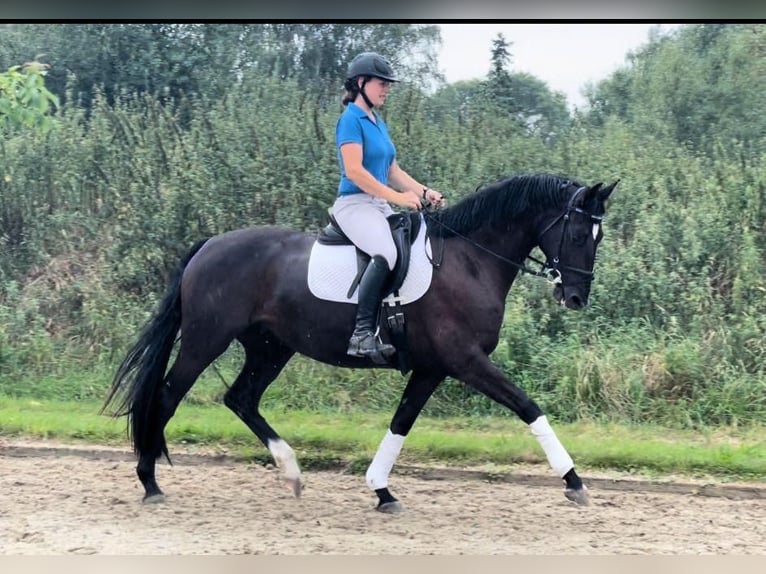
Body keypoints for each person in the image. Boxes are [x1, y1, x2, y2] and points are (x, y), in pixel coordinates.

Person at [332, 51, 444, 360]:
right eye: (381, 83)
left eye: (388, 84)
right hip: (354, 204)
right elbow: (355, 172)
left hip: (377, 204)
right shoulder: (350, 121)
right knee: (386, 252)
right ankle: (361, 334)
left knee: (412, 245)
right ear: (360, 82)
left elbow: (392, 170)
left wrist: (424, 191)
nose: (386, 89)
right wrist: (397, 198)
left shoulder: (376, 122)